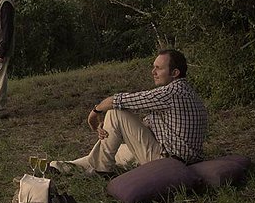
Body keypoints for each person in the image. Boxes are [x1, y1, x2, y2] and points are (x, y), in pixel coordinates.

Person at [50, 49, 208, 175]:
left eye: (158, 68)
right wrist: (113, 130)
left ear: (175, 73)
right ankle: (63, 167)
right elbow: (153, 124)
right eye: (153, 67)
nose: (153, 71)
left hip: (169, 162)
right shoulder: (185, 92)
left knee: (115, 111)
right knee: (116, 150)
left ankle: (102, 170)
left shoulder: (172, 92)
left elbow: (119, 100)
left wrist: (95, 111)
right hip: (173, 156)